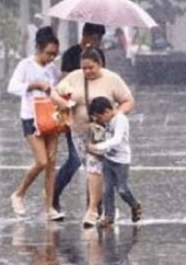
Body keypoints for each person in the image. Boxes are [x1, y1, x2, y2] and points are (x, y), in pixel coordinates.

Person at [51, 48, 134, 227]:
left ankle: (92, 209)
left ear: (100, 64)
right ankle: (105, 207)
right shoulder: (74, 77)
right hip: (78, 130)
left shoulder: (112, 79)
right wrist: (64, 103)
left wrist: (116, 115)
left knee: (94, 168)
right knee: (88, 168)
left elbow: (128, 100)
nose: (87, 72)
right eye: (84, 68)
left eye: (91, 68)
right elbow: (54, 92)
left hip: (100, 131)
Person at [7, 26, 64, 221]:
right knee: (42, 161)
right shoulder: (25, 65)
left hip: (51, 116)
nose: (51, 58)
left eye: (54, 55)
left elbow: (57, 89)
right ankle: (19, 193)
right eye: (49, 53)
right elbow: (12, 87)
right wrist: (33, 85)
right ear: (39, 48)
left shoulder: (53, 69)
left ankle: (49, 208)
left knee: (52, 162)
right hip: (31, 117)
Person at [89, 96, 143, 228]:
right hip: (109, 159)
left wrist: (98, 147)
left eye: (100, 117)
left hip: (121, 160)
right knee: (107, 189)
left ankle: (135, 205)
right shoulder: (106, 121)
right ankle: (109, 216)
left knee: (122, 189)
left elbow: (117, 139)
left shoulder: (120, 120)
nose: (100, 120)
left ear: (107, 111)